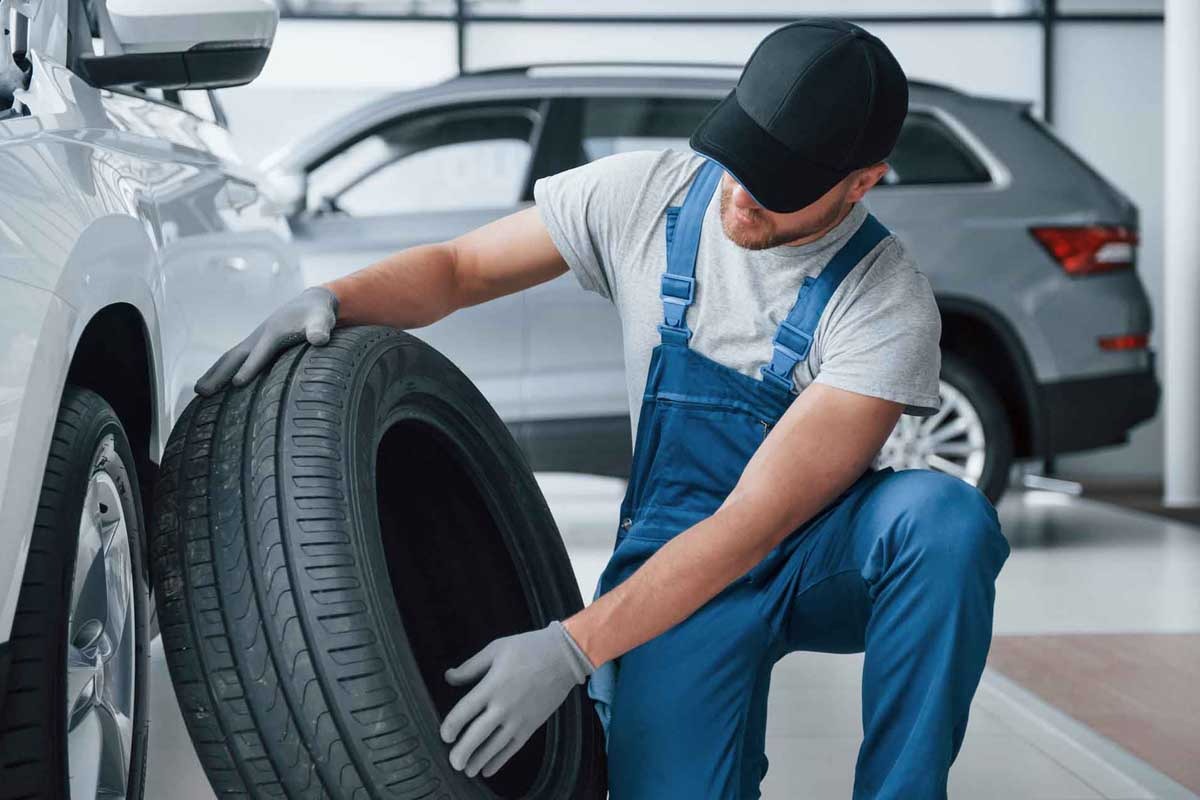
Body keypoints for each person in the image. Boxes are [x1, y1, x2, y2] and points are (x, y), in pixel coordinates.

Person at [195, 18, 1010, 799]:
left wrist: (571, 649)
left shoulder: (886, 301)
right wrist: (335, 297)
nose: (741, 196)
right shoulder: (644, 196)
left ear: (862, 183)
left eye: (779, 187)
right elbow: (459, 267)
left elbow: (755, 525)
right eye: (740, 159)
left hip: (816, 553)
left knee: (945, 520)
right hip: (673, 549)